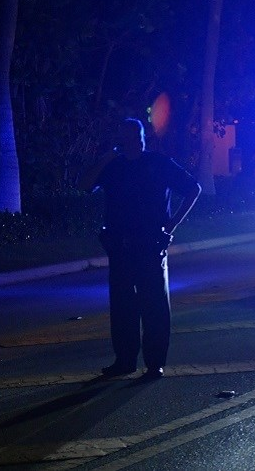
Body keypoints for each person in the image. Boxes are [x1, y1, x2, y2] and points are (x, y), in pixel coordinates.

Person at [79, 118, 201, 379]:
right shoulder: (115, 167)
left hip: (150, 243)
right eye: (122, 136)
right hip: (120, 245)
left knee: (154, 304)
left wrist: (172, 224)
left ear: (141, 137)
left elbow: (193, 188)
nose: (126, 141)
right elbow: (85, 184)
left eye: (130, 136)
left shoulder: (158, 164)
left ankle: (155, 362)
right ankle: (125, 360)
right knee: (122, 305)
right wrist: (107, 156)